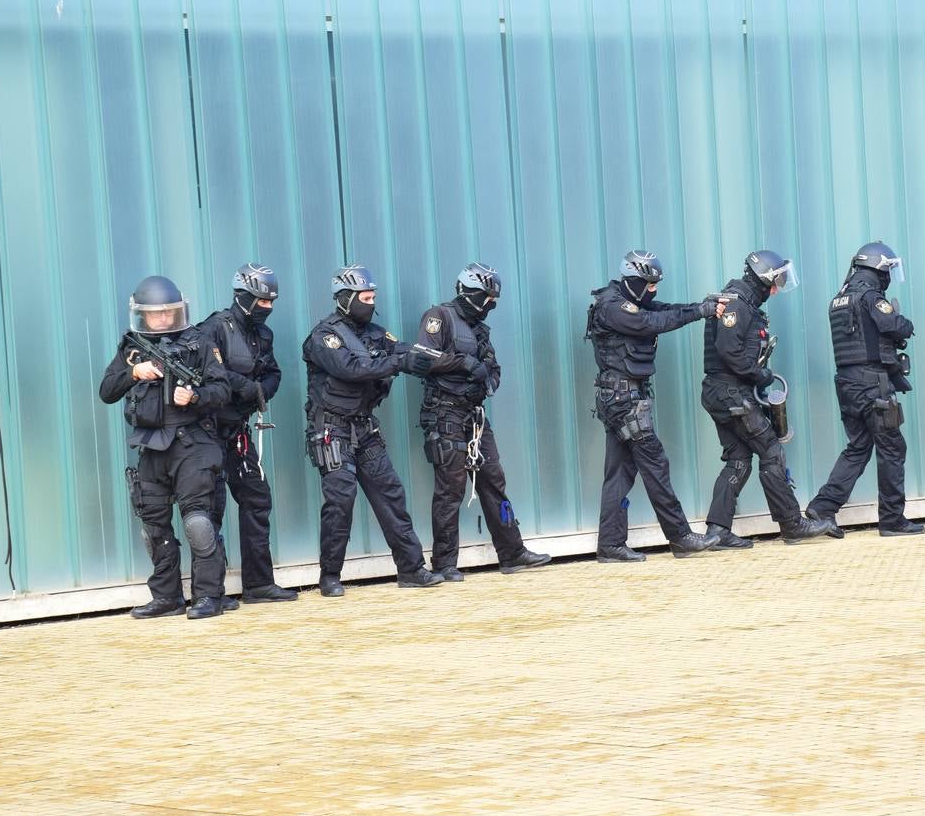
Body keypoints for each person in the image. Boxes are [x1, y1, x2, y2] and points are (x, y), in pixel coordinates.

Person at [302, 265, 445, 596]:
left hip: (365, 428)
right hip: (331, 430)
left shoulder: (376, 332)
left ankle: (412, 569)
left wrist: (431, 356)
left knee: (391, 494)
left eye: (373, 297)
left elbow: (401, 349)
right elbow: (352, 369)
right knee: (340, 499)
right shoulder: (325, 337)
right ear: (346, 299)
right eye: (365, 298)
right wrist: (399, 363)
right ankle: (330, 577)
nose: (371, 303)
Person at [99, 275, 232, 619]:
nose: (162, 319)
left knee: (198, 523)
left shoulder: (199, 343)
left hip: (192, 443)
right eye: (155, 314)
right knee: (153, 526)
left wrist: (195, 396)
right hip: (150, 446)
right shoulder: (133, 346)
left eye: (168, 312)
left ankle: (207, 597)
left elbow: (223, 391)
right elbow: (107, 391)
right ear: (143, 314)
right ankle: (166, 597)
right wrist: (134, 373)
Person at [414, 262, 551, 580]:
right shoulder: (439, 317)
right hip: (444, 413)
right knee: (450, 489)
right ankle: (445, 563)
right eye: (488, 297)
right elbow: (421, 358)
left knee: (493, 480)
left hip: (474, 416)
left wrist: (486, 382)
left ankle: (512, 553)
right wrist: (466, 364)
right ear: (472, 293)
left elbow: (494, 369)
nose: (492, 303)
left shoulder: (479, 328)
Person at [585, 250, 725, 562]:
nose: (654, 290)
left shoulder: (629, 302)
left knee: (619, 473)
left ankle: (610, 545)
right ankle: (680, 537)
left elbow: (665, 310)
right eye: (649, 284)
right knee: (655, 465)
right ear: (634, 280)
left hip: (619, 397)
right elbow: (652, 321)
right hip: (624, 400)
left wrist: (702, 307)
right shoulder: (614, 308)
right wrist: (700, 312)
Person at [701, 250, 835, 546]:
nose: (777, 289)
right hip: (730, 393)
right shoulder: (737, 302)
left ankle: (717, 531)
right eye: (777, 282)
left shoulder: (744, 302)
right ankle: (791, 524)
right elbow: (729, 351)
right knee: (772, 452)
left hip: (725, 392)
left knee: (738, 460)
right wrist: (759, 374)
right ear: (764, 279)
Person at [806, 242, 924, 537]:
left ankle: (823, 507)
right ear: (878, 268)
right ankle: (892, 519)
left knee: (858, 447)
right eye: (888, 269)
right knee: (893, 448)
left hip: (847, 383)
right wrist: (904, 323)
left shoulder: (839, 298)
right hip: (873, 384)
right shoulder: (870, 296)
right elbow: (896, 326)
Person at [197, 263, 297, 603]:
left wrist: (261, 392)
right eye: (261, 301)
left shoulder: (263, 335)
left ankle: (258, 585)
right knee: (211, 509)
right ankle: (212, 593)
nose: (266, 308)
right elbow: (211, 374)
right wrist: (249, 388)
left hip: (237, 432)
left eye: (271, 302)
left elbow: (274, 374)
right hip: (207, 431)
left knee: (257, 499)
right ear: (242, 296)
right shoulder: (213, 328)